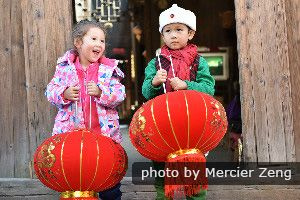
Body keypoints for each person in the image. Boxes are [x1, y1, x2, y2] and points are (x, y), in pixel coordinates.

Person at [45, 19, 125, 200]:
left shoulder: (109, 69)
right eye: (94, 39)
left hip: (103, 136)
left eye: (102, 41)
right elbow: (50, 91)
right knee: (76, 181)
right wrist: (64, 93)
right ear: (78, 42)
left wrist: (101, 92)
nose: (99, 44)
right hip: (72, 138)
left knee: (109, 183)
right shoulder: (64, 68)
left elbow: (119, 95)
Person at [141, 4, 215, 200]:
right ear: (162, 35)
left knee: (194, 175)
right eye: (168, 31)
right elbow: (146, 92)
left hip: (192, 124)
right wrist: (155, 82)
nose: (173, 35)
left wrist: (186, 85)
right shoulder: (155, 63)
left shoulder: (199, 62)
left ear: (190, 34)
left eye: (179, 30)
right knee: (162, 173)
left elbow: (209, 88)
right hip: (163, 125)